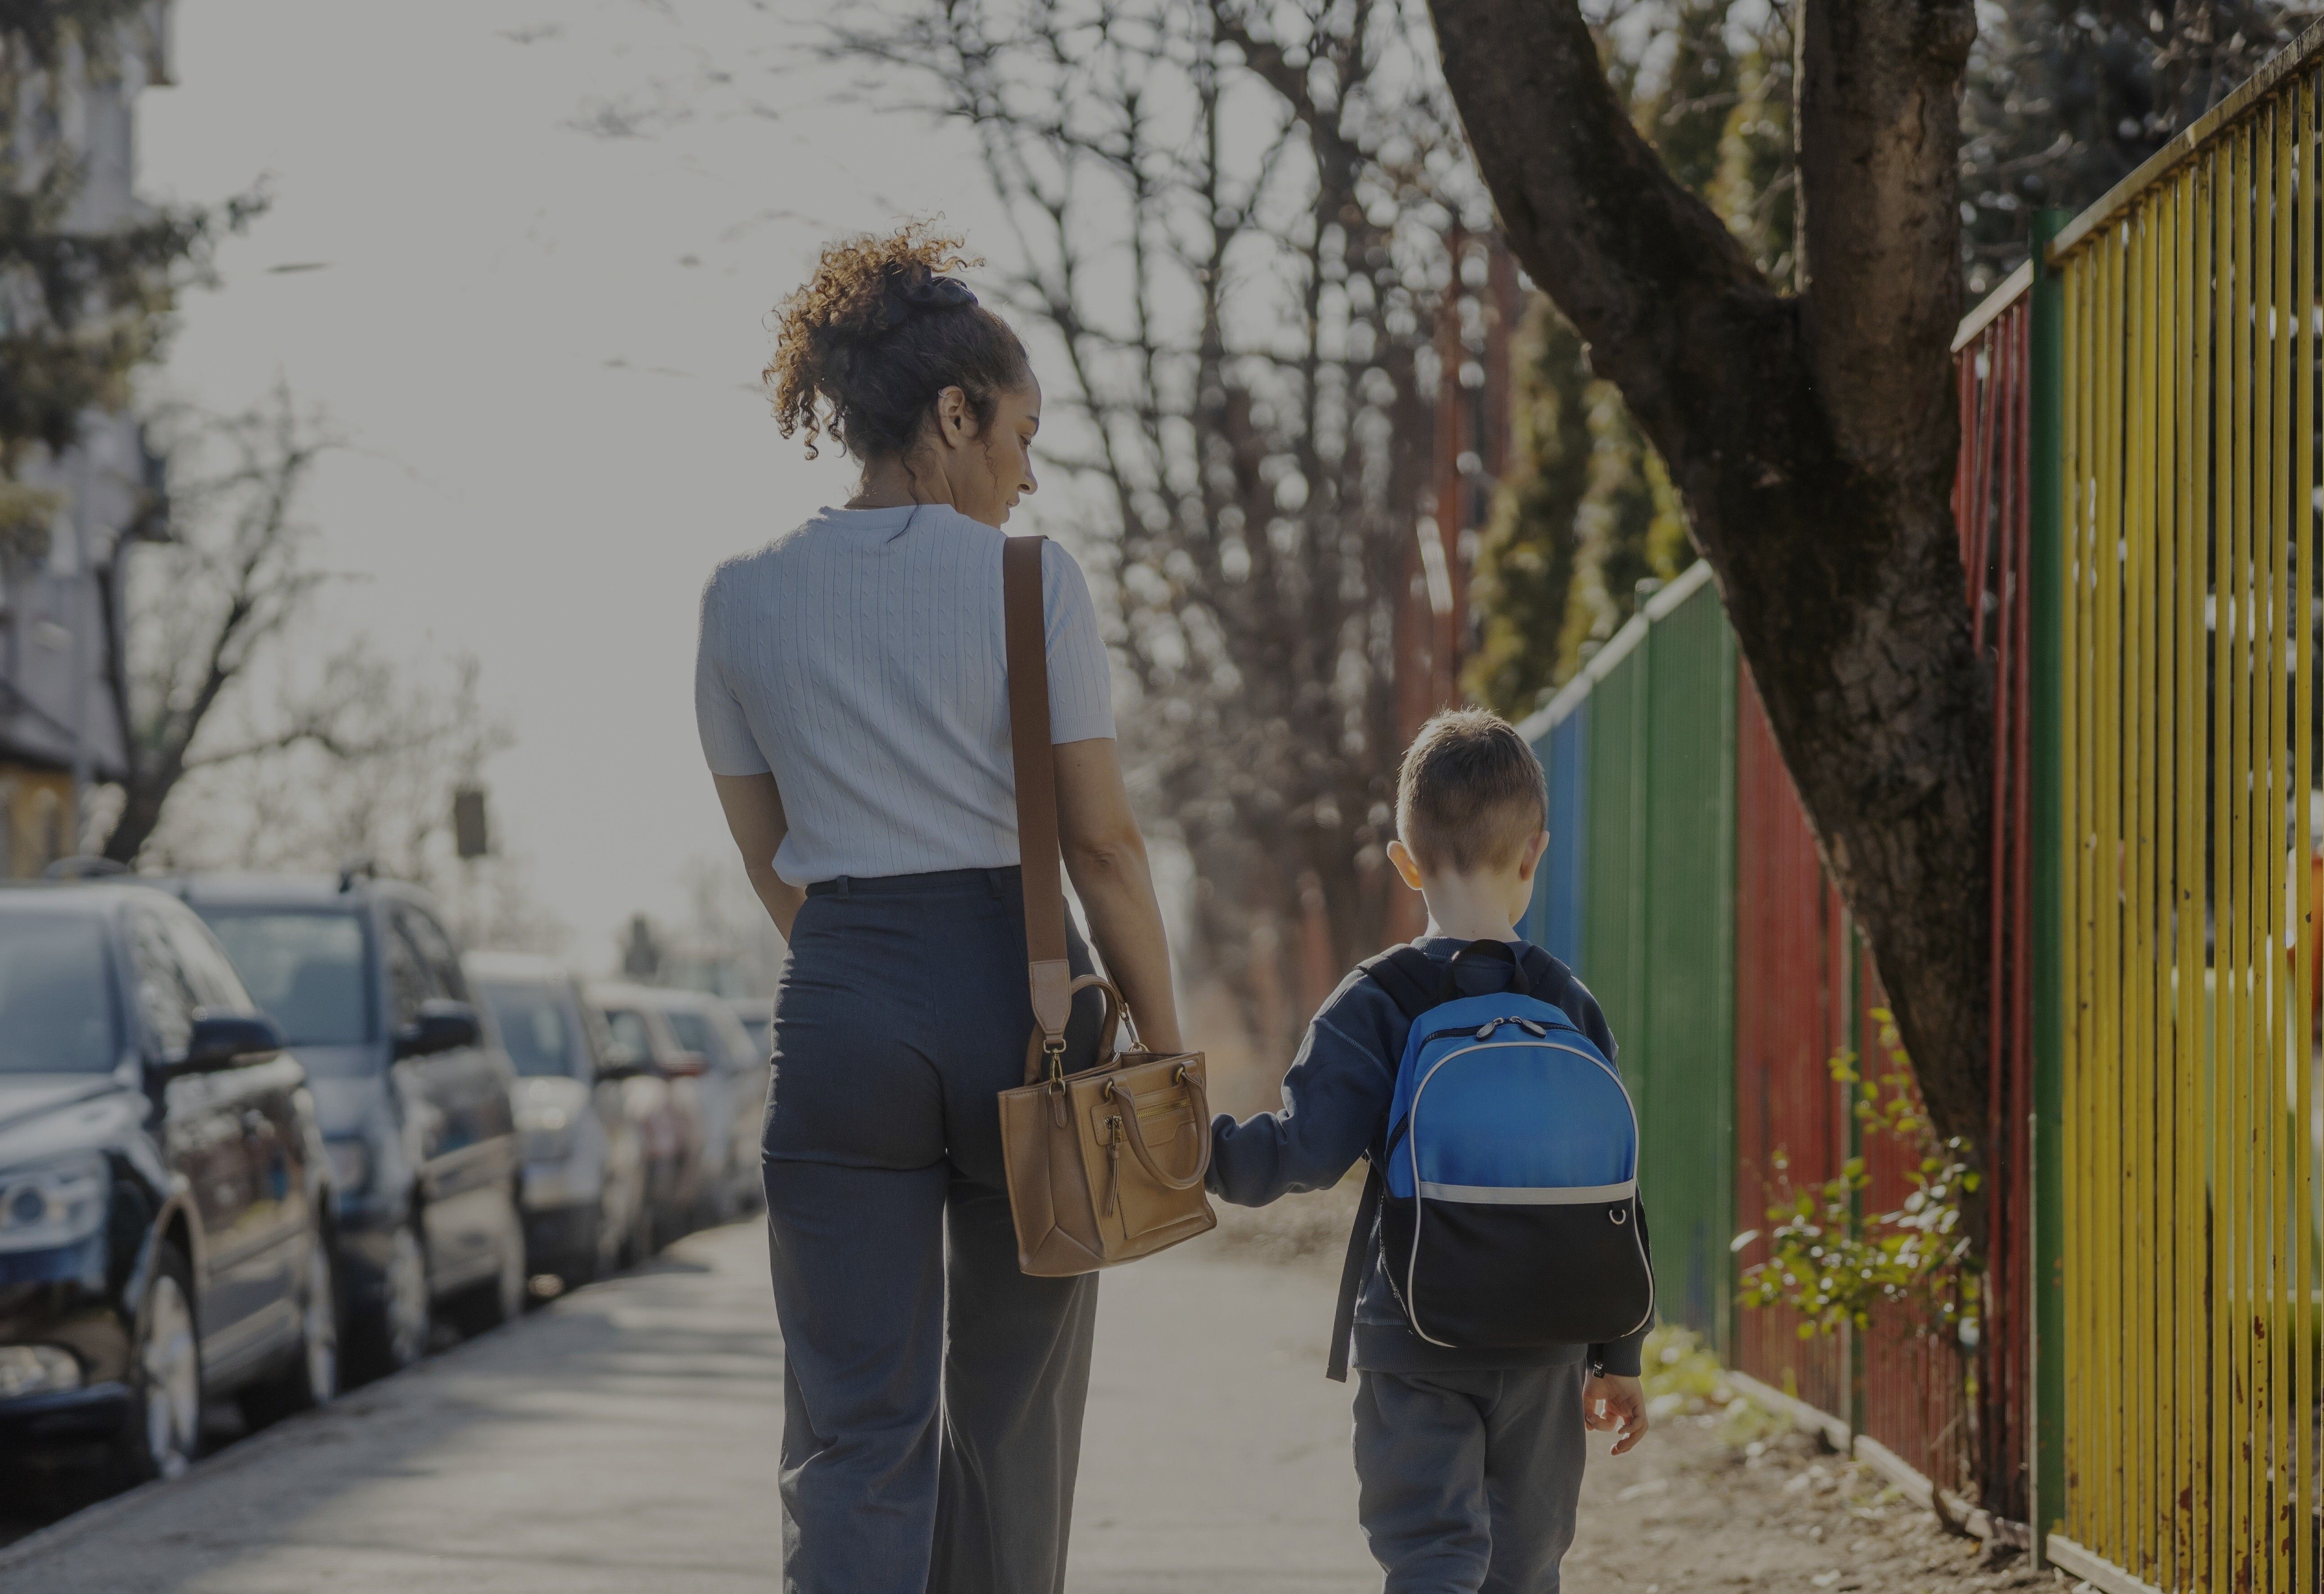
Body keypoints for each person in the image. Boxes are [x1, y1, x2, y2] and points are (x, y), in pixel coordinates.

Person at [697, 223, 1183, 1594]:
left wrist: (865, 976)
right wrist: (1157, 1032)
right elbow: (1105, 844)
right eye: (1021, 432)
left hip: (840, 999)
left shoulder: (739, 600)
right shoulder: (1034, 582)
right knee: (1012, 1423)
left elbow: (767, 855)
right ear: (953, 413)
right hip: (1023, 1000)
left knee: (855, 1428)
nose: (1029, 472)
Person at [1206, 709, 1649, 1594]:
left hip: (1413, 1332)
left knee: (1432, 1553)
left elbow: (1302, 1151)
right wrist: (1621, 1354)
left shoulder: (1374, 1001)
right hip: (1550, 1339)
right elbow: (1618, 1189)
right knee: (1526, 1564)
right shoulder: (1567, 1002)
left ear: (1405, 862)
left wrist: (1196, 1151)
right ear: (1534, 852)